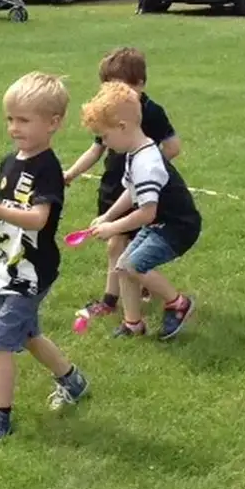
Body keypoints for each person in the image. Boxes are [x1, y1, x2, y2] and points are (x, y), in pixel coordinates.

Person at [0, 73, 90, 447]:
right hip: (7, 267)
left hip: (31, 273)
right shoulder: (7, 162)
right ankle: (72, 381)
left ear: (53, 123)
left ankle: (0, 419)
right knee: (28, 335)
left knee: (0, 341)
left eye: (24, 120)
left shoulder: (47, 167)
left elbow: (38, 219)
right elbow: (9, 212)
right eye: (10, 119)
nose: (14, 128)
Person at [63, 47, 182, 323]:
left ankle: (112, 300)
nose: (113, 95)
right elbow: (96, 150)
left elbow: (173, 147)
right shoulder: (110, 115)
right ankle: (131, 298)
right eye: (107, 88)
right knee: (119, 245)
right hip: (114, 188)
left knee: (120, 245)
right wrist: (71, 173)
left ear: (140, 84)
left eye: (120, 87)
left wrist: (149, 171)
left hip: (141, 195)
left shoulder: (151, 112)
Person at [81, 81, 200, 338]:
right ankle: (133, 324)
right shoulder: (135, 152)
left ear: (122, 127)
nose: (104, 143)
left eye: (105, 136)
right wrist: (108, 215)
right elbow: (131, 191)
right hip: (160, 223)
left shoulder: (146, 162)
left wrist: (113, 227)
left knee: (134, 266)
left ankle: (178, 303)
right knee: (123, 267)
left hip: (177, 227)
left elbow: (147, 213)